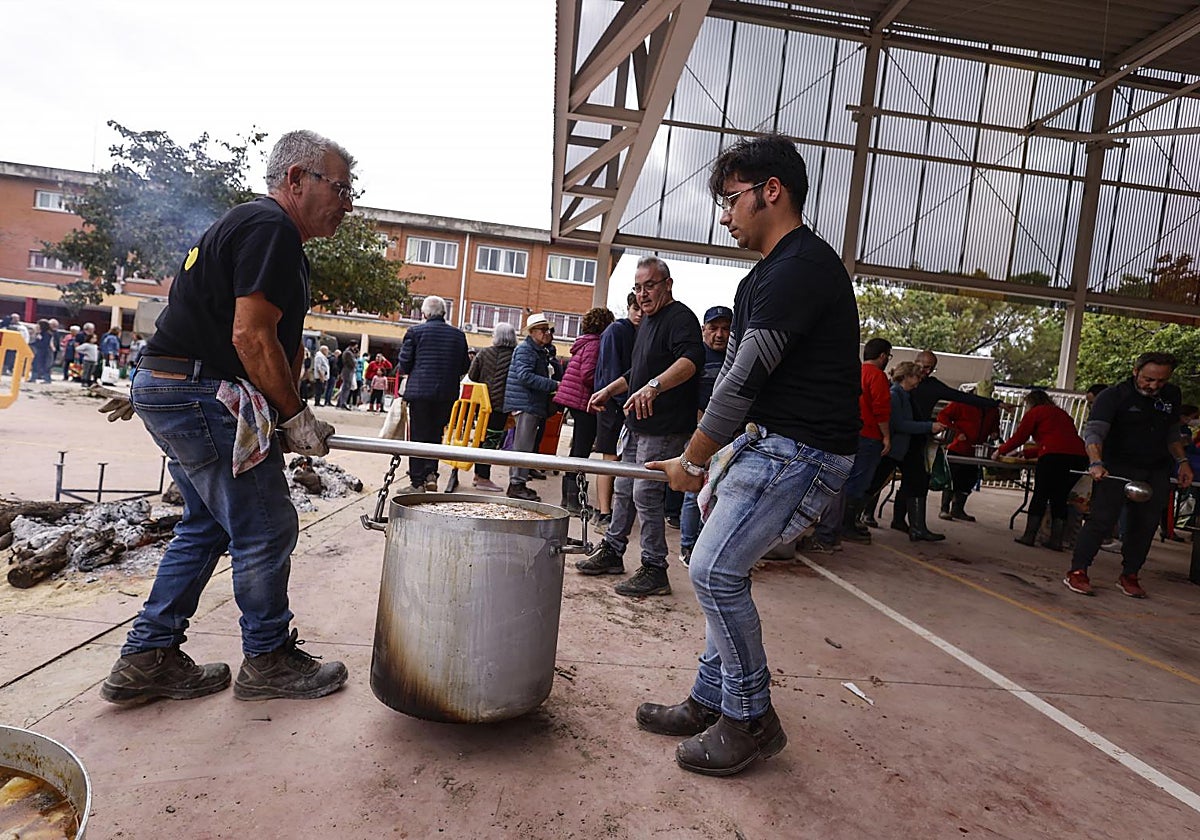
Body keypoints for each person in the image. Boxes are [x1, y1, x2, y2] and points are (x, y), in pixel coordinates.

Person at [98, 129, 353, 706]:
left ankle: (147, 657)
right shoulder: (271, 229)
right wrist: (294, 416)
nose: (347, 202)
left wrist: (293, 414)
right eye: (338, 187)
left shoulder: (264, 234)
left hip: (177, 386)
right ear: (295, 179)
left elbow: (272, 341)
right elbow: (249, 334)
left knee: (208, 524)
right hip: (196, 392)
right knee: (266, 526)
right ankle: (267, 660)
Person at [639, 135, 860, 776]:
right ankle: (712, 699)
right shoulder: (774, 271)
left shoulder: (801, 268)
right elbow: (742, 371)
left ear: (772, 191)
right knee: (718, 569)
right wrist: (721, 452)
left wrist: (695, 459)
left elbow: (741, 379)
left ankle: (751, 718)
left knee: (712, 572)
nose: (725, 213)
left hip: (800, 452)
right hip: (772, 444)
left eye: (730, 198)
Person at [579, 256, 702, 597]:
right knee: (622, 488)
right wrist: (611, 388)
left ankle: (654, 568)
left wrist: (655, 386)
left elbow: (691, 360)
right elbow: (638, 372)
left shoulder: (681, 318)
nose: (644, 294)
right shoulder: (646, 322)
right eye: (638, 287)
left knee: (645, 494)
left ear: (668, 284)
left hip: (663, 427)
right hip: (636, 424)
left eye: (650, 285)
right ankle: (614, 550)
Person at [1065, 352, 1193, 598]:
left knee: (1144, 525)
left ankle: (1130, 574)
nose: (1154, 386)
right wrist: (1096, 462)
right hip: (1116, 467)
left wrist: (1183, 462)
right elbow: (1094, 433)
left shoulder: (1171, 395)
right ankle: (1078, 570)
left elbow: (1172, 434)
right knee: (1102, 520)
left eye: (1161, 381)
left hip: (1155, 468)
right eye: (1148, 379)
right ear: (1135, 371)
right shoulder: (1113, 396)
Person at [889, 350, 1007, 540]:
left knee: (915, 480)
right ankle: (863, 516)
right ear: (910, 372)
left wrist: (995, 404)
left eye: (931, 368)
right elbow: (899, 422)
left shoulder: (925, 387)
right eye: (923, 368)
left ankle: (910, 525)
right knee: (878, 477)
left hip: (916, 437)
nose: (926, 373)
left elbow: (959, 396)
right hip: (901, 437)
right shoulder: (897, 392)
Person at [995, 389, 1087, 550]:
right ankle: (1056, 541)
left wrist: (1000, 451)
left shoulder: (1036, 412)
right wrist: (1026, 452)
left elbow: (1020, 437)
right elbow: (1060, 441)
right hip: (1079, 458)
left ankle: (1029, 536)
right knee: (1060, 497)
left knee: (1041, 495)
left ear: (1031, 403)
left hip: (1054, 458)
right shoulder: (1061, 414)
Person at [396, 295, 470, 492]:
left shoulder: (415, 332)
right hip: (446, 394)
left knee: (418, 437)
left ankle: (417, 482)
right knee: (435, 434)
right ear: (444, 313)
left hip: (420, 393)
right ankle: (431, 474)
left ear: (425, 313)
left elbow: (404, 364)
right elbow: (465, 365)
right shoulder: (458, 335)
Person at [678, 305, 731, 565]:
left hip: (731, 439)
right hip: (699, 434)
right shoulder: (696, 358)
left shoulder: (737, 358)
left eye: (725, 328)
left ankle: (707, 546)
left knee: (722, 494)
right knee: (693, 490)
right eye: (713, 328)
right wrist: (704, 434)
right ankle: (689, 546)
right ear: (704, 330)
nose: (719, 334)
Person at [553, 306, 615, 512]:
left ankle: (570, 498)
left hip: (576, 400)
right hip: (583, 402)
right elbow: (588, 374)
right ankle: (572, 500)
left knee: (578, 450)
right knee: (581, 452)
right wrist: (607, 386)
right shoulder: (595, 344)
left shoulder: (585, 343)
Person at [591, 293, 641, 529]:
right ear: (629, 308)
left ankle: (618, 511)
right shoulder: (616, 331)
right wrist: (621, 400)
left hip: (631, 403)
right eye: (635, 308)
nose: (640, 313)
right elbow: (611, 370)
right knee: (610, 458)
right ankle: (603, 512)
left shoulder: (643, 331)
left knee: (625, 459)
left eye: (643, 308)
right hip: (613, 404)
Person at [504, 313, 559, 501]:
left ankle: (519, 483)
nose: (547, 333)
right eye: (543, 330)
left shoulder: (535, 350)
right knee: (522, 446)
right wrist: (554, 385)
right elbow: (525, 377)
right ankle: (516, 484)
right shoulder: (527, 350)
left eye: (548, 330)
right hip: (526, 403)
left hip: (528, 403)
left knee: (525, 445)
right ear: (532, 332)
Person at [467, 322, 517, 492]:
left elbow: (472, 376)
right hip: (500, 406)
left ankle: (478, 474)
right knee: (491, 441)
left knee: (481, 439)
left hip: (482, 404)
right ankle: (483, 478)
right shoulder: (515, 356)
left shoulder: (484, 353)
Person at [936, 396, 1000, 522]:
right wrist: (956, 432)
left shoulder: (992, 408)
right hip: (958, 447)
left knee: (969, 480)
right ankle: (944, 508)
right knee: (952, 478)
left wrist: (995, 433)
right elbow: (943, 416)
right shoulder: (962, 402)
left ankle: (958, 509)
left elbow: (995, 426)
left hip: (976, 451)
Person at [29, 319, 55, 383]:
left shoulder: (47, 334)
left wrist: (35, 344)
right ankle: (33, 378)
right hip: (40, 351)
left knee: (45, 366)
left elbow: (44, 343)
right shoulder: (41, 333)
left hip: (45, 352)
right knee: (35, 364)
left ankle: (47, 379)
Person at [335, 343, 357, 410]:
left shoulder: (348, 352)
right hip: (348, 370)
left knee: (345, 387)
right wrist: (355, 362)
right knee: (346, 387)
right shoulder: (348, 352)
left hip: (347, 370)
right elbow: (352, 362)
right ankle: (343, 403)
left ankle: (340, 402)